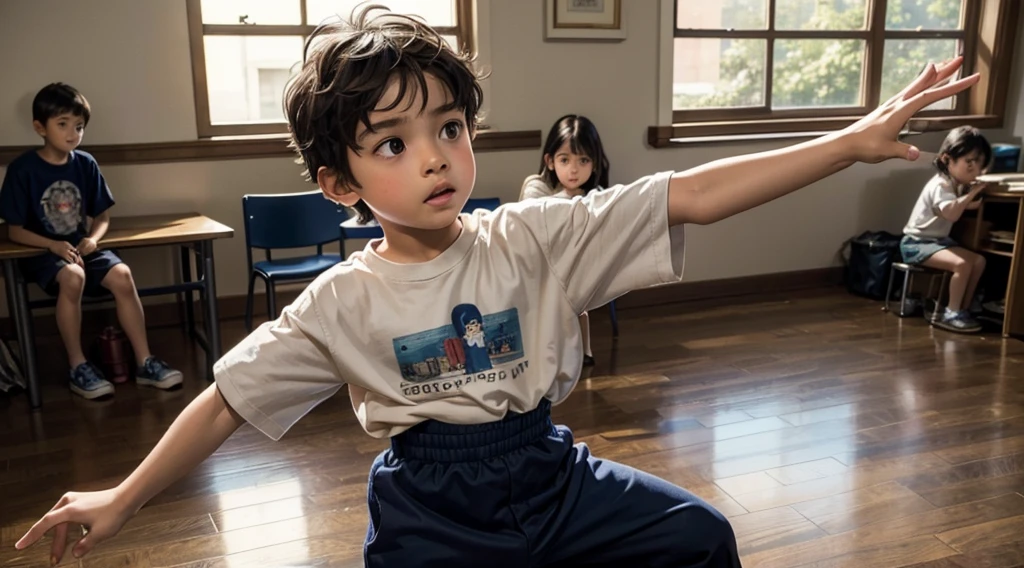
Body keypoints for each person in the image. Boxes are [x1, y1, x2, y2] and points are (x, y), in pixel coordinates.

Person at [13, 6, 978, 567]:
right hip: (430, 507)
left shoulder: (536, 235)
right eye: (393, 143)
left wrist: (845, 145)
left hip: (548, 473)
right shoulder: (341, 301)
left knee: (699, 538)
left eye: (449, 128)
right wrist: (127, 496)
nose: (434, 158)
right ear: (341, 184)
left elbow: (691, 195)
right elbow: (225, 400)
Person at [0, 83, 182, 400]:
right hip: (41, 252)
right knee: (73, 276)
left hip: (81, 247)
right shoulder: (22, 169)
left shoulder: (86, 163)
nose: (73, 133)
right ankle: (78, 366)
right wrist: (53, 246)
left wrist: (93, 240)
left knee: (123, 275)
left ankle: (145, 362)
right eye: (63, 124)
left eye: (79, 126)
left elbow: (103, 218)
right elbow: (14, 231)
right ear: (39, 127)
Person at [520, 114, 611, 365]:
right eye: (565, 159)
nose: (574, 169)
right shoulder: (536, 186)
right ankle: (545, 353)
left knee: (577, 297)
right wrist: (569, 197)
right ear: (550, 161)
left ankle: (585, 352)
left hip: (577, 267)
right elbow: (535, 222)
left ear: (594, 163)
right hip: (537, 266)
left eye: (583, 160)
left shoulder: (596, 195)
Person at [901, 125, 992, 333]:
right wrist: (972, 194)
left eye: (979, 163)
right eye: (969, 162)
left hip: (937, 242)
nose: (974, 168)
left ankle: (963, 308)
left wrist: (970, 198)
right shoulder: (941, 184)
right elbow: (951, 213)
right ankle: (951, 313)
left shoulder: (954, 184)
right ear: (946, 159)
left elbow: (952, 208)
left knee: (979, 261)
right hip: (916, 244)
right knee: (962, 264)